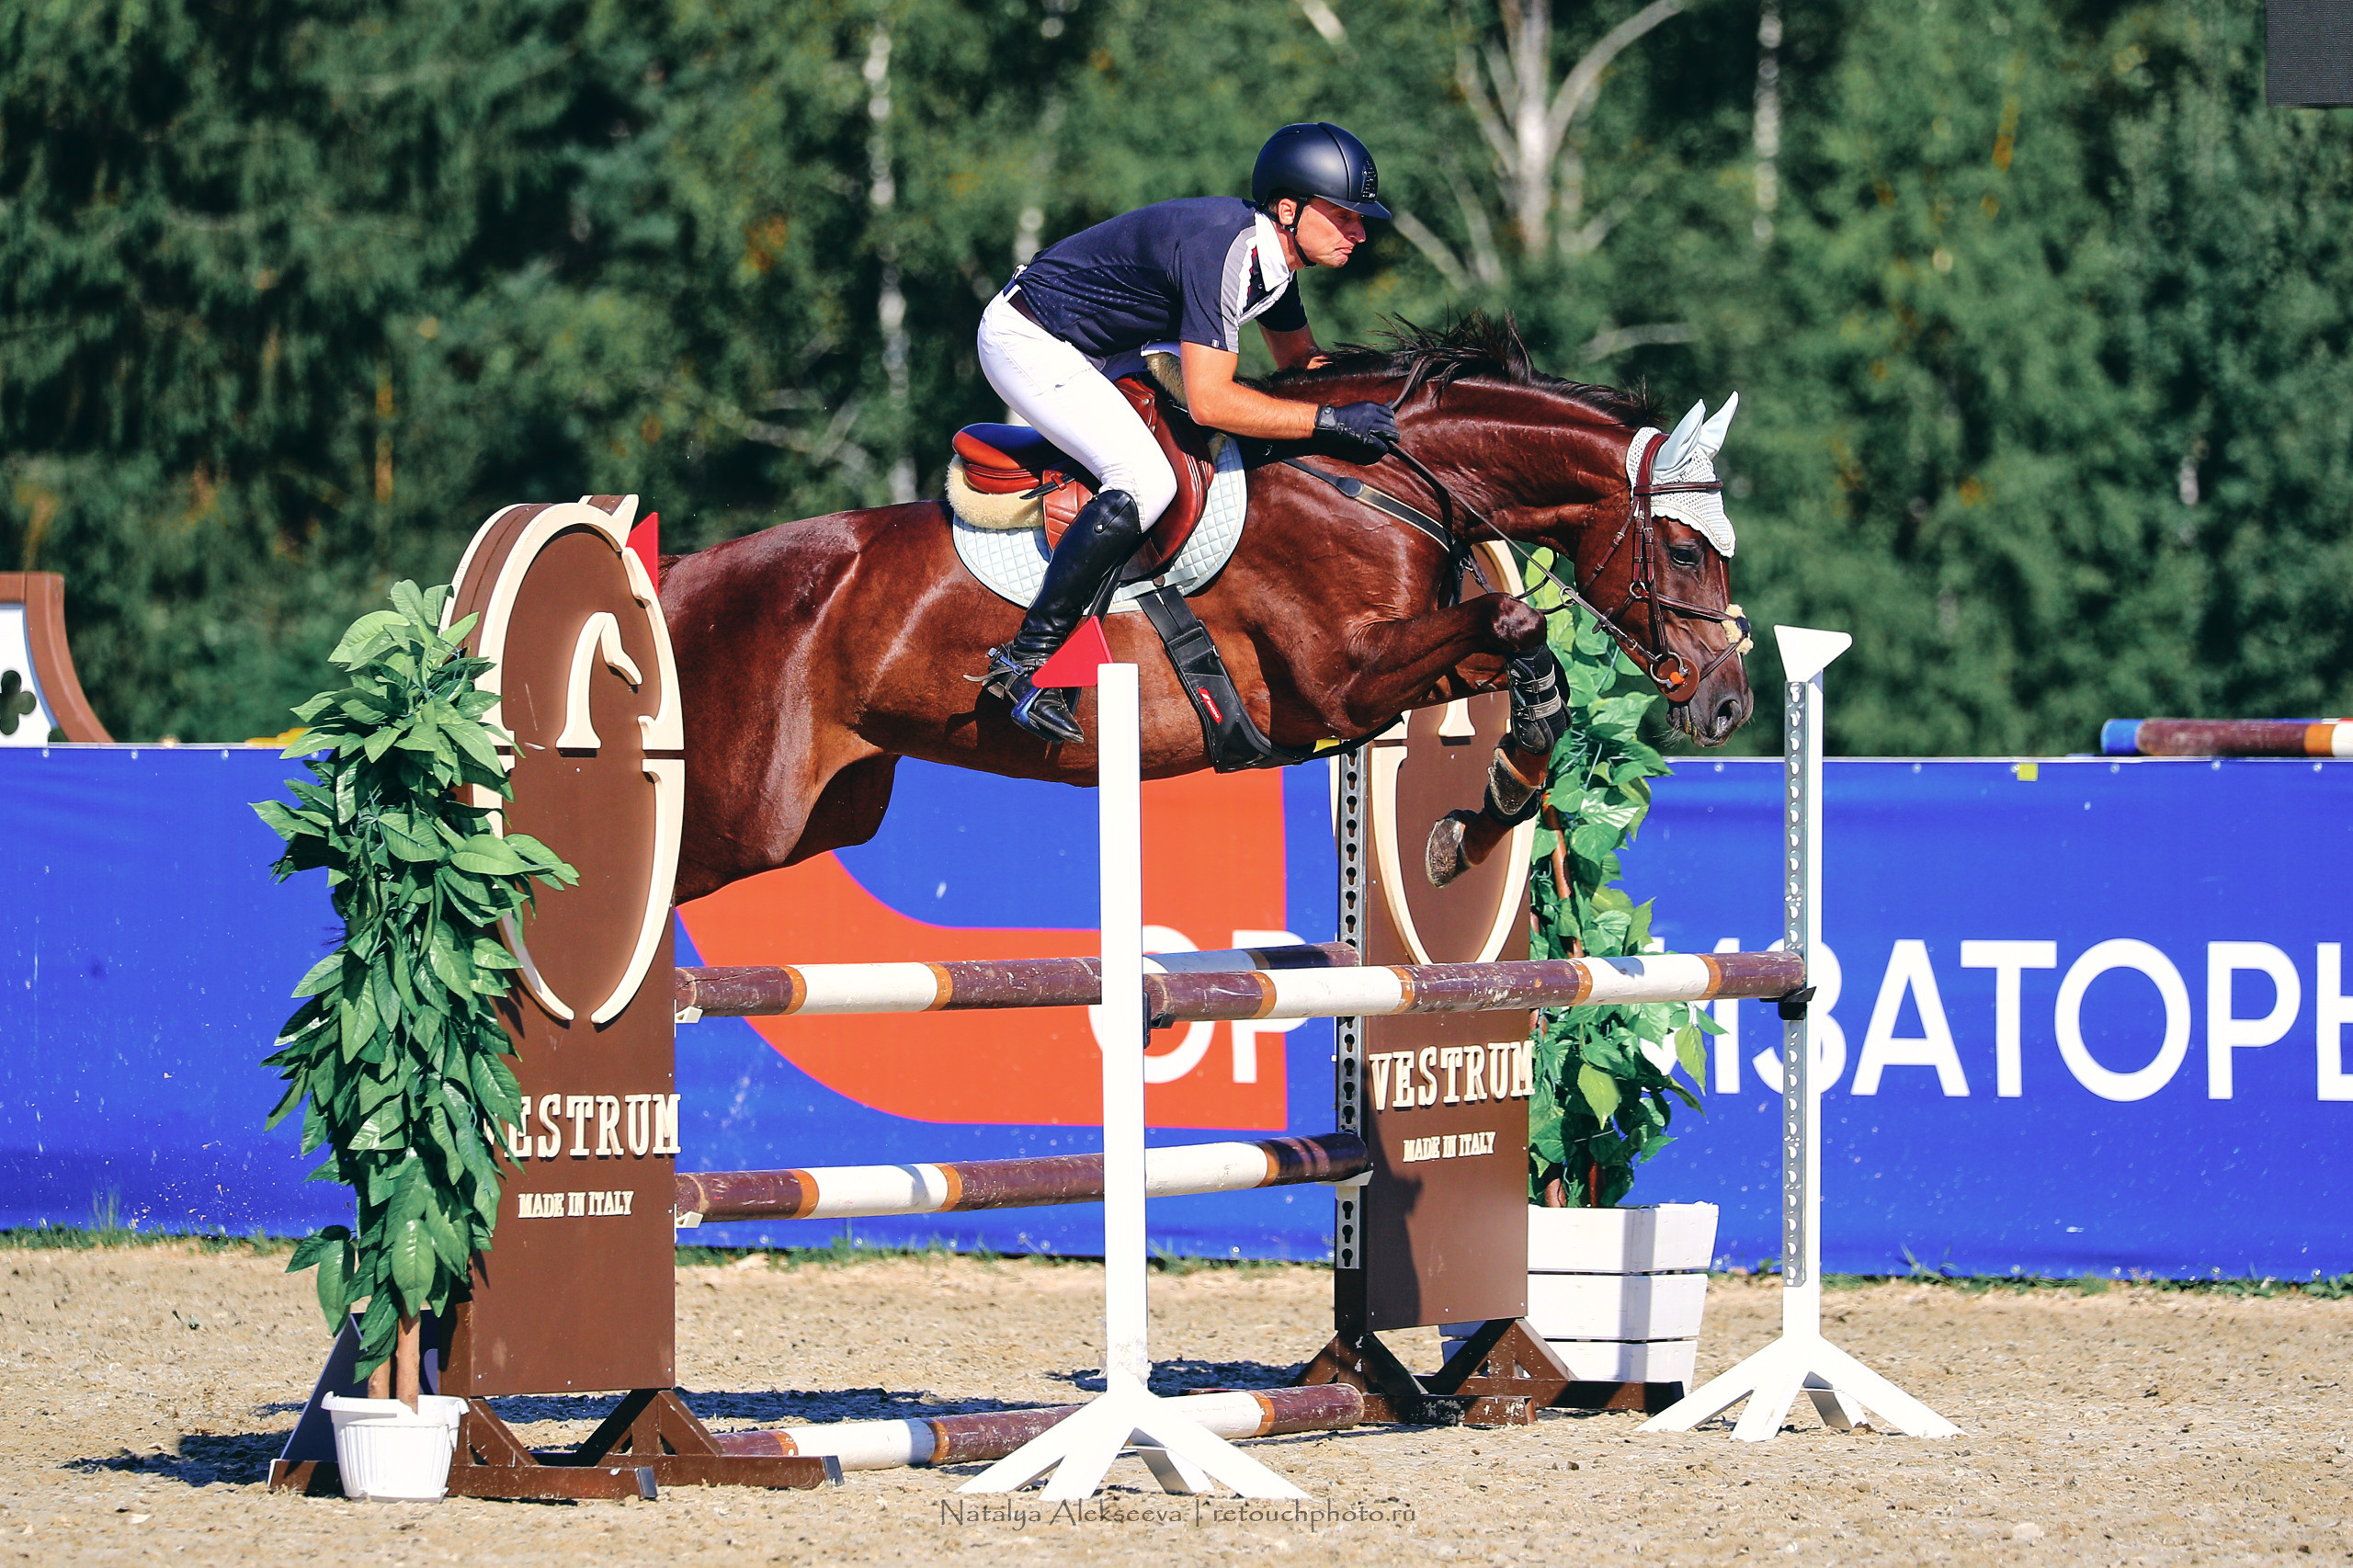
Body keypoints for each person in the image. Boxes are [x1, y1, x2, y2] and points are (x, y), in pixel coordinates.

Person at [974, 122, 1400, 744]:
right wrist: (1330, 422)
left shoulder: (1274, 265)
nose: (1359, 231)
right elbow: (1212, 401)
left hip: (1104, 348)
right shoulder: (1226, 251)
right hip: (1031, 340)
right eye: (1344, 216)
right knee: (1145, 479)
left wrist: (1392, 397)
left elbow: (1300, 368)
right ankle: (1027, 660)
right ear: (1289, 209)